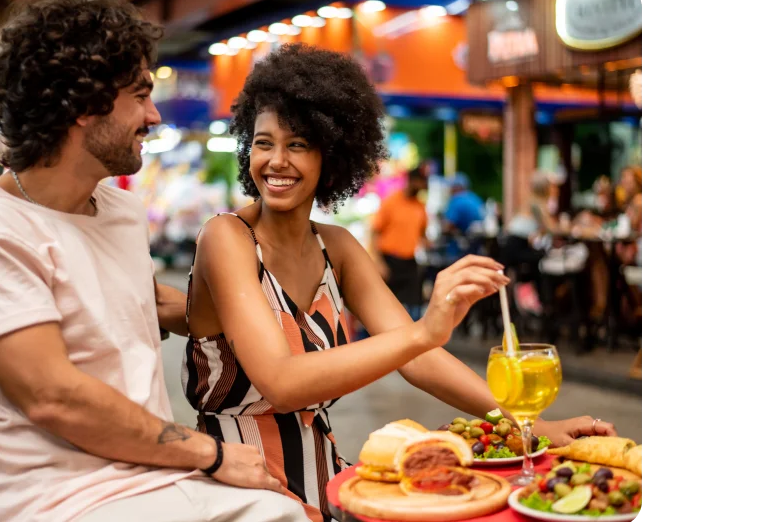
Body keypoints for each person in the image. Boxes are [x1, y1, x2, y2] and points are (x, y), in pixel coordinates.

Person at [181, 43, 619, 522]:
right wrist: (422, 330)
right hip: (238, 492)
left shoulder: (337, 246)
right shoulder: (226, 237)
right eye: (264, 143)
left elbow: (421, 358)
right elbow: (282, 383)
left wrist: (533, 425)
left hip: (332, 486)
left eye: (298, 144)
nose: (276, 161)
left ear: (333, 154)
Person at [0, 0, 308, 522]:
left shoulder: (118, 209)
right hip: (53, 501)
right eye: (140, 94)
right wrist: (211, 454)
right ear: (83, 103)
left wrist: (256, 295)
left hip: (148, 476)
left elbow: (135, 303)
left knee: (297, 509)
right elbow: (54, 396)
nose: (154, 113)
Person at [372, 167, 430, 320]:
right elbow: (374, 232)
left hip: (409, 261)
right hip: (389, 261)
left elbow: (422, 234)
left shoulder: (420, 207)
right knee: (384, 309)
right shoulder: (391, 202)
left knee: (414, 307)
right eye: (419, 184)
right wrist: (378, 262)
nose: (420, 189)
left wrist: (428, 243)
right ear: (411, 181)